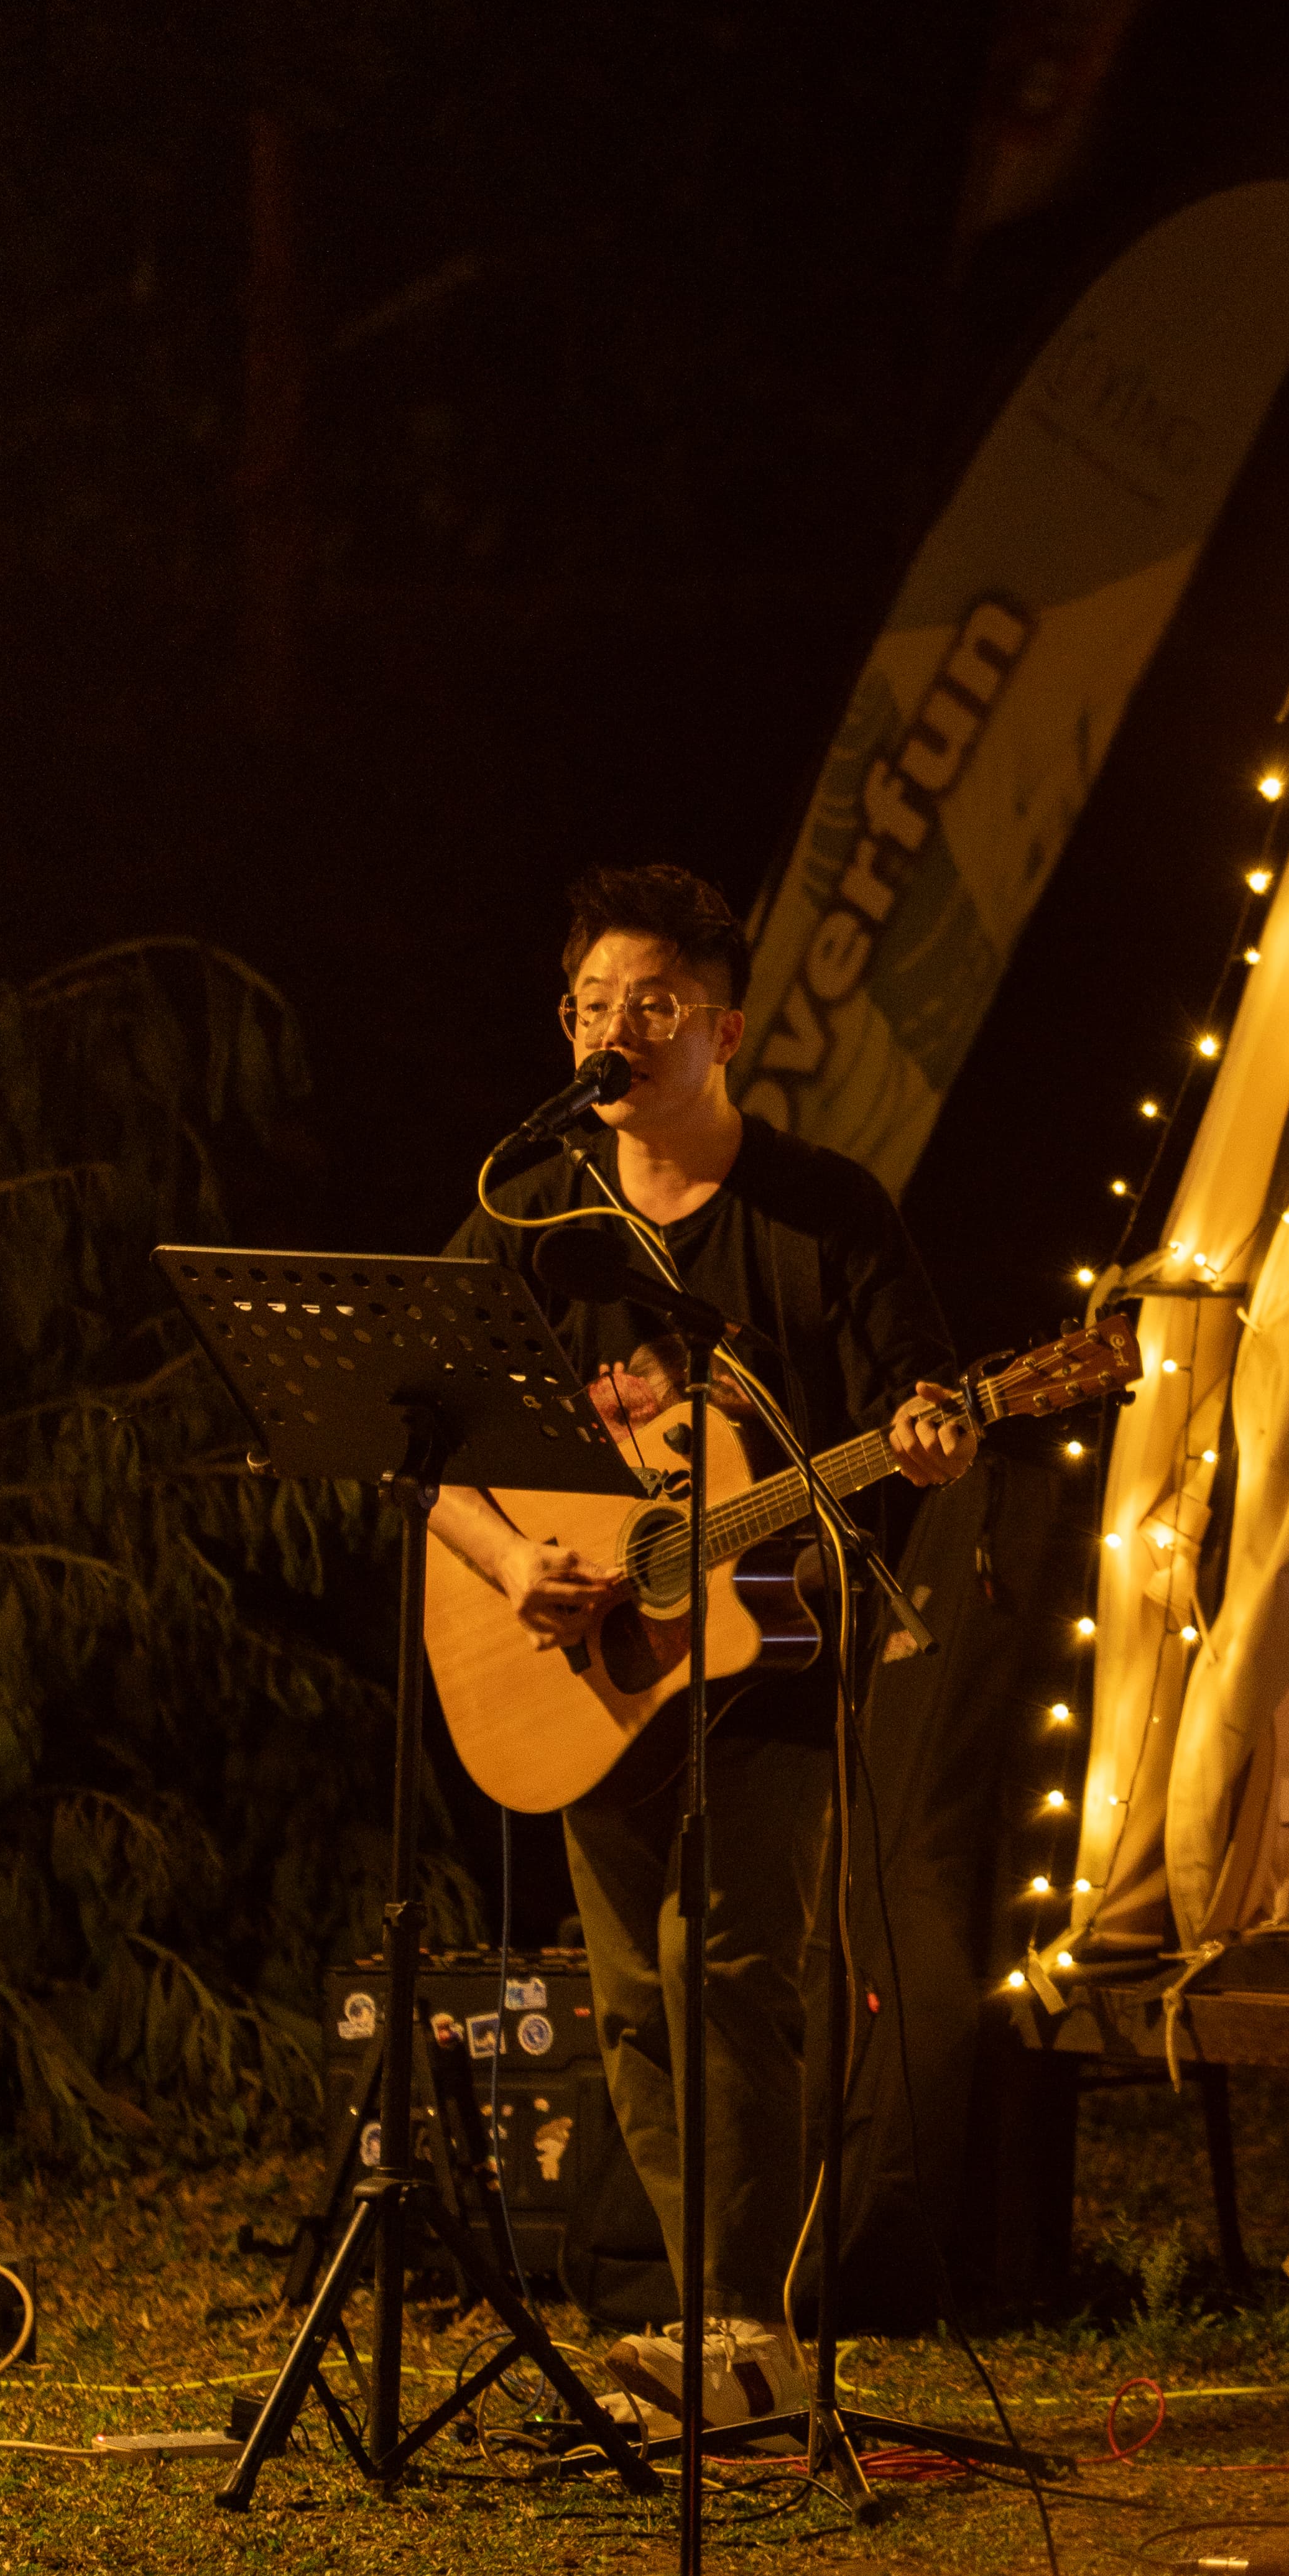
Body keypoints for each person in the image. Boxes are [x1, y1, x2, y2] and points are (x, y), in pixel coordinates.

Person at [431, 861, 972, 2432]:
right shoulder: (529, 1217)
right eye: (591, 1003)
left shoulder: (822, 1211)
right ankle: (693, 2333)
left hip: (774, 1652)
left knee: (724, 1971)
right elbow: (430, 1448)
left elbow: (919, 1398)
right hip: (596, 1665)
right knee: (625, 1999)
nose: (616, 1028)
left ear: (722, 1030)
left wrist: (935, 1432)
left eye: (653, 1003)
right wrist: (513, 1560)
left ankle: (745, 2326)